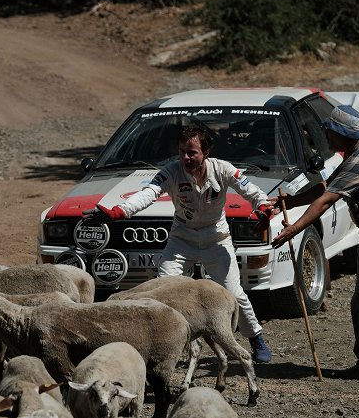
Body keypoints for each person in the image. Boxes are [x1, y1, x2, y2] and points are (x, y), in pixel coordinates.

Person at [84, 124, 274, 363]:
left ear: (206, 152)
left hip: (217, 240)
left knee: (234, 293)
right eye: (182, 151)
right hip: (181, 240)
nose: (185, 157)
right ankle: (160, 341)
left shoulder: (223, 169)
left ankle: (256, 339)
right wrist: (119, 211)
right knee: (162, 290)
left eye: (192, 152)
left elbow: (253, 192)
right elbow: (148, 193)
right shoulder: (171, 171)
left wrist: (264, 208)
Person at [271, 105, 359, 379]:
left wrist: (294, 229)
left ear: (341, 134)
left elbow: (326, 200)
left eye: (329, 131)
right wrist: (287, 202)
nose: (325, 135)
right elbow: (327, 188)